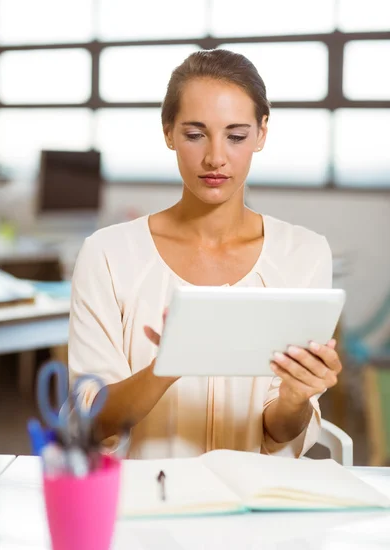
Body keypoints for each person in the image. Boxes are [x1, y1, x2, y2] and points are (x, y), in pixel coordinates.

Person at [69, 49, 342, 459]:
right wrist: (166, 366)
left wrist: (295, 397)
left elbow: (281, 433)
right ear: (168, 132)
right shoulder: (107, 254)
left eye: (236, 136)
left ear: (262, 133)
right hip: (143, 506)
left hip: (256, 506)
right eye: (195, 134)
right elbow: (92, 422)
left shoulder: (304, 254)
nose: (216, 157)